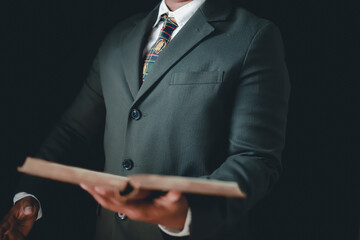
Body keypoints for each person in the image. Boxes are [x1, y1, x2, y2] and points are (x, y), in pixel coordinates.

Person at [0, 0, 290, 239]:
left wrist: (187, 211)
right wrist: (30, 194)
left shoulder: (253, 36)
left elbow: (255, 159)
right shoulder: (118, 37)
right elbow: (73, 130)